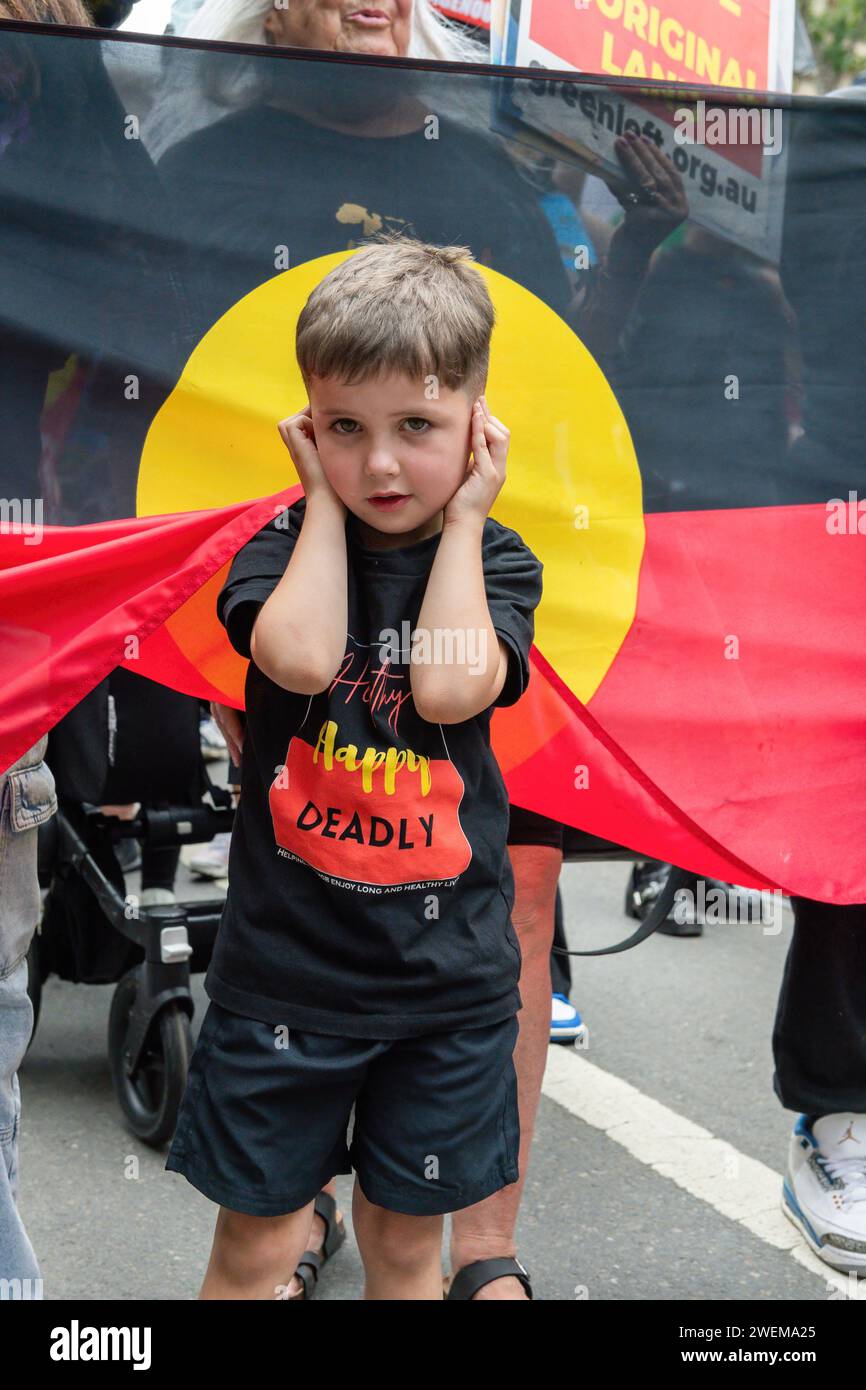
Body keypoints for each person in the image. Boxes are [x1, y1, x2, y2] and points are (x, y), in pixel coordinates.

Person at [164, 235, 544, 1300]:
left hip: (444, 994)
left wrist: (463, 516)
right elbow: (297, 656)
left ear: (476, 423)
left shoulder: (498, 559)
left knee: (403, 1245)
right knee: (252, 1245)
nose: (378, 463)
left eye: (416, 428)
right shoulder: (277, 548)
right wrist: (315, 506)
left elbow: (446, 689)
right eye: (344, 430)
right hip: (284, 979)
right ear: (306, 428)